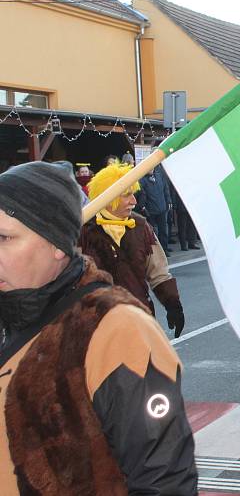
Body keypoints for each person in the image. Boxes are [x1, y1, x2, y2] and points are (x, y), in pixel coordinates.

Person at [0, 161, 197, 494]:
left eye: (4, 237)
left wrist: (171, 301)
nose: (132, 201)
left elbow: (163, 480)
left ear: (57, 245)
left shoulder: (117, 330)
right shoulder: (12, 314)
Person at [80, 163, 186, 338]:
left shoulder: (141, 226)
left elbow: (158, 272)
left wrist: (173, 304)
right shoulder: (84, 230)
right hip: (96, 325)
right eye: (126, 195)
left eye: (133, 194)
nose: (134, 201)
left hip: (139, 318)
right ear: (108, 197)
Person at [137, 164, 173, 255]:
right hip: (150, 211)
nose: (150, 168)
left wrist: (168, 201)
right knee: (153, 233)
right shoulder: (142, 180)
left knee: (163, 231)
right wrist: (143, 207)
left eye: (152, 166)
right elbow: (142, 195)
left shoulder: (159, 175)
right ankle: (157, 253)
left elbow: (166, 189)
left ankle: (164, 250)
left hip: (162, 208)